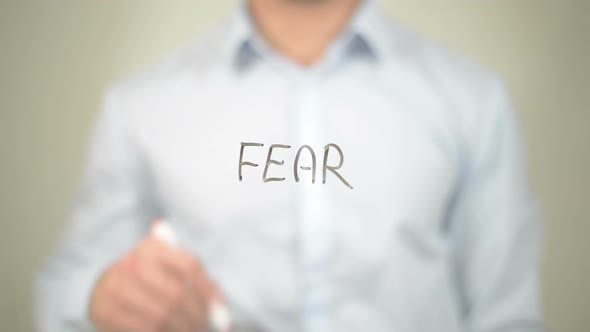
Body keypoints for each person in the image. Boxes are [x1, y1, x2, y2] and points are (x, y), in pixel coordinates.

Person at [35, 0, 544, 331]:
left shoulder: (473, 100)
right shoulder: (139, 108)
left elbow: (508, 315)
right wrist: (102, 298)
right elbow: (62, 291)